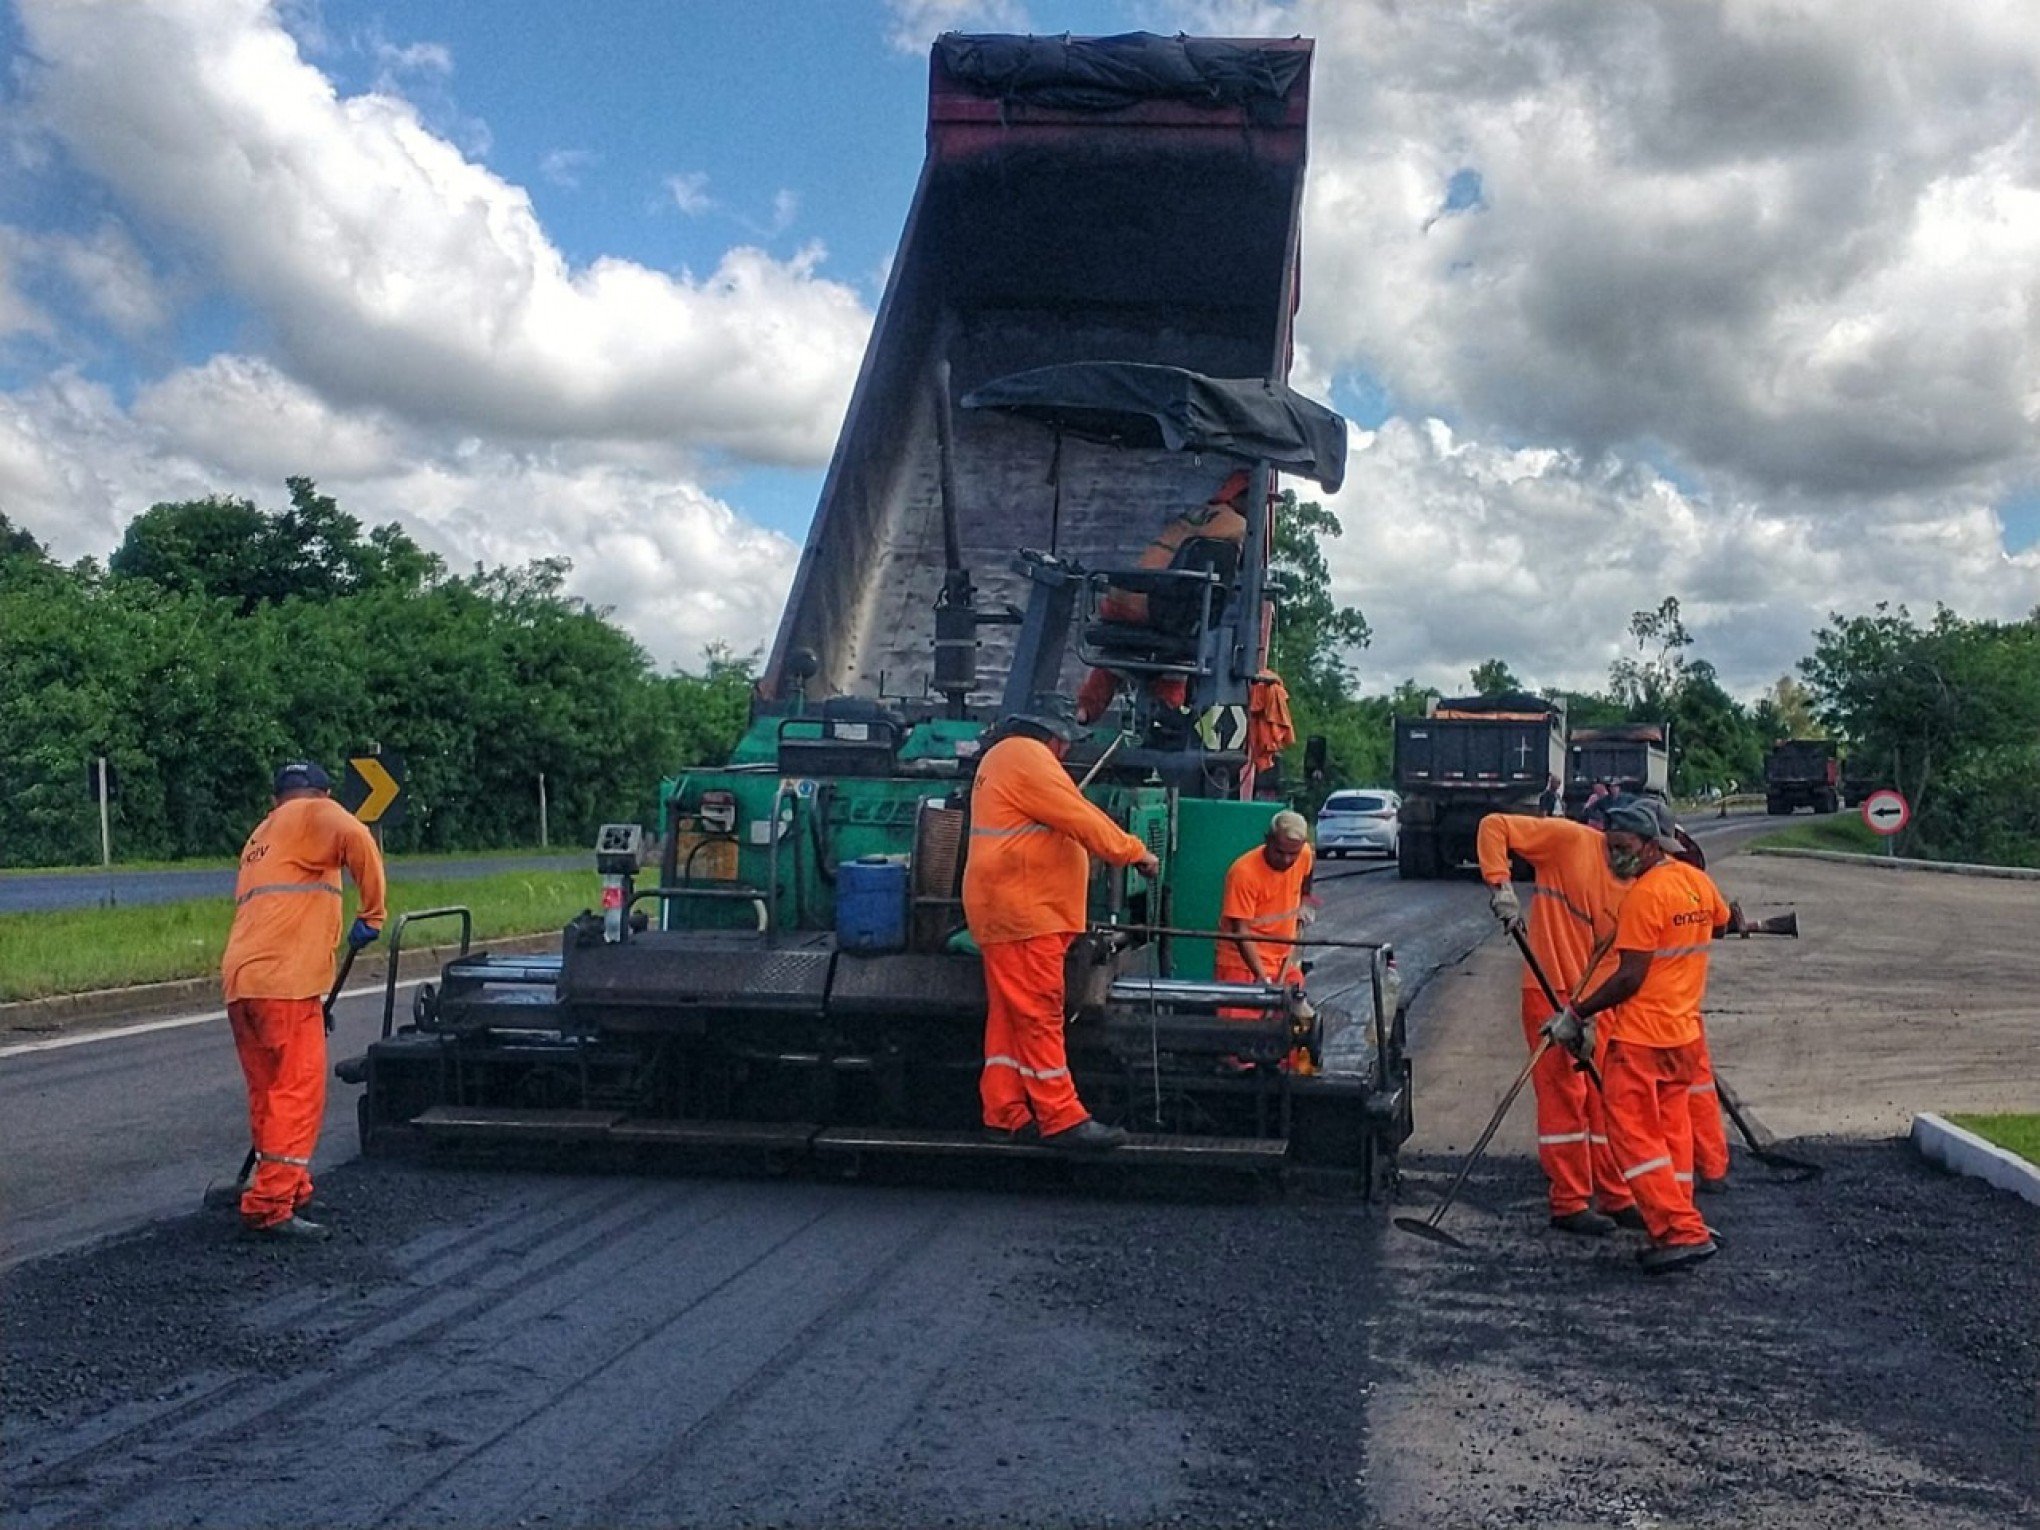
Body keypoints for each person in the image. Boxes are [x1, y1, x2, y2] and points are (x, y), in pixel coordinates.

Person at [1545, 796, 1741, 1276]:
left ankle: (1681, 1231)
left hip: (1642, 1039)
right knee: (1672, 1133)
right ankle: (1680, 1217)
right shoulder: (1696, 882)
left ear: (1651, 845)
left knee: (1632, 1136)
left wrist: (1576, 1012)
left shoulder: (1645, 896)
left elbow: (1629, 977)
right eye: (1610, 848)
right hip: (1684, 1035)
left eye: (1623, 847)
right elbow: (1721, 922)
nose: (1615, 857)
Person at [963, 697, 1161, 1150]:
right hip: (1026, 914)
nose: (1067, 751)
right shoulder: (1027, 758)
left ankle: (1005, 1112)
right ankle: (1061, 1117)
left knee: (1010, 1018)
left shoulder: (1005, 757)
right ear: (1053, 736)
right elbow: (1080, 818)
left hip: (1009, 911)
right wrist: (1135, 852)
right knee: (1039, 1015)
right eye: (1066, 741)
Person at [219, 761, 386, 1240]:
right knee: (298, 1091)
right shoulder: (317, 812)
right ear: (323, 792)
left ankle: (285, 1183)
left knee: (269, 1090)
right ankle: (270, 1205)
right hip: (284, 982)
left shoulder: (261, 836)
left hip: (243, 982)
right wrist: (372, 913)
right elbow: (358, 839)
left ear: (276, 798)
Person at [1476, 808, 1637, 1236]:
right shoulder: (1568, 840)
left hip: (1596, 1003)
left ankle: (1617, 1196)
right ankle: (1568, 1202)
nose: (1624, 857)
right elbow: (1495, 826)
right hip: (1548, 989)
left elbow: (1621, 960)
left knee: (1606, 1097)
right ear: (1607, 833)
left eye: (1634, 849)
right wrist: (1500, 885)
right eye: (1618, 845)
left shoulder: (1641, 884)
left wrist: (1592, 1018)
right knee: (1564, 1095)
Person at [1075, 469, 1253, 725]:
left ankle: (1081, 714)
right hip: (1164, 611)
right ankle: (1165, 716)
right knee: (1175, 653)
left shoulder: (1197, 517)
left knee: (1119, 656)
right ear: (1241, 497)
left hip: (1138, 602)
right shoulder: (1237, 526)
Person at [1215, 811, 1316, 992]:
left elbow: (1306, 878)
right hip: (1242, 966)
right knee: (1241, 1020)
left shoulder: (1305, 854)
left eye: (1293, 854)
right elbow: (1241, 931)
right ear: (1267, 840)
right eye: (1279, 852)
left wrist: (1304, 903)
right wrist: (1262, 978)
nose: (1286, 860)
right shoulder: (1243, 873)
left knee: (1293, 1016)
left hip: (1282, 963)